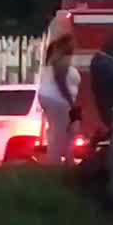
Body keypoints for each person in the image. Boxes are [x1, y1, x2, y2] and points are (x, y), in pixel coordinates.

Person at [38, 36, 81, 165]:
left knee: (63, 131)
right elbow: (60, 81)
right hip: (58, 100)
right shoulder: (62, 60)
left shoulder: (55, 60)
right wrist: (70, 102)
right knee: (60, 132)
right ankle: (55, 162)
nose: (75, 46)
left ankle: (64, 159)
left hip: (53, 99)